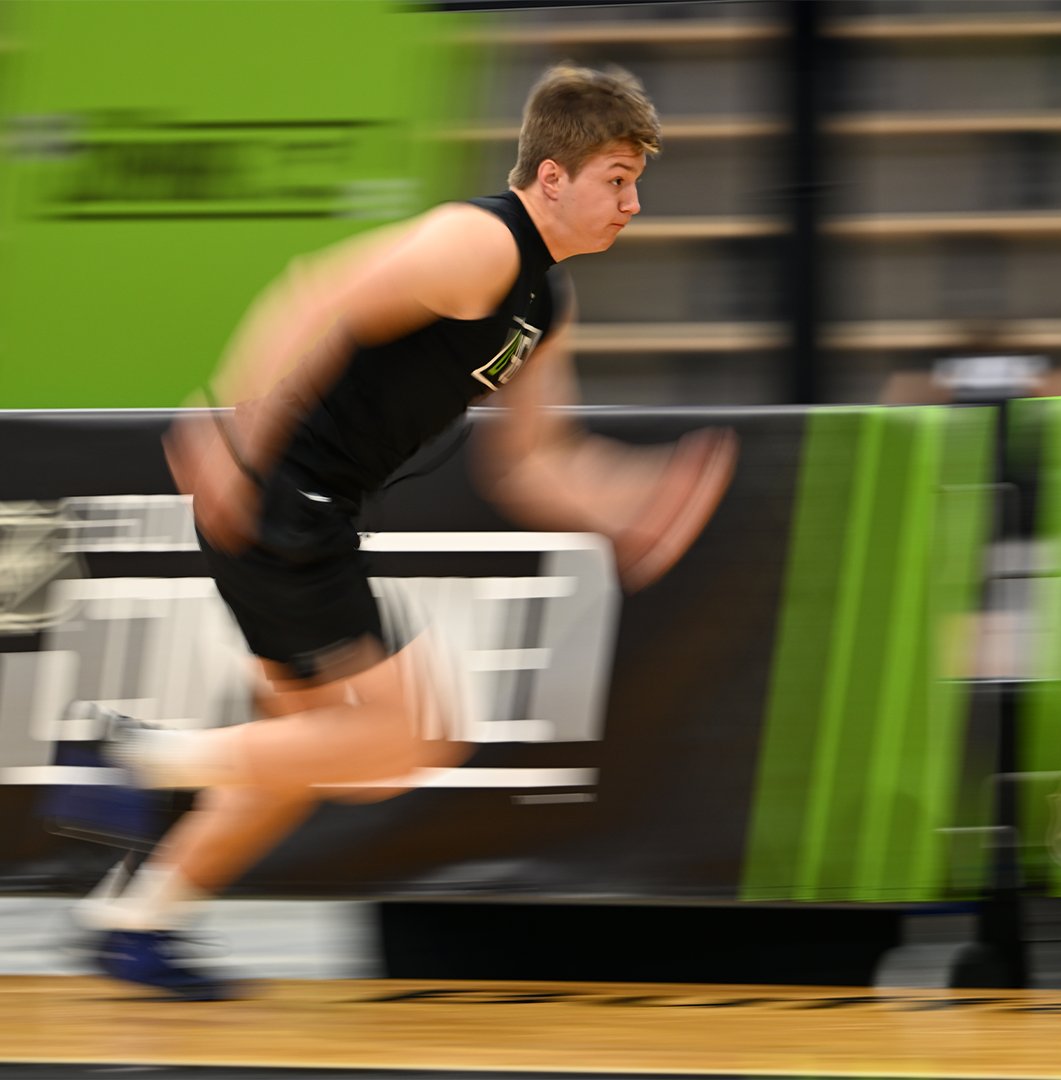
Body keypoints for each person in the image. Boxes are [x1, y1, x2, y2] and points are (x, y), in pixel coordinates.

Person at [70, 62, 739, 999]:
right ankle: (137, 764)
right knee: (409, 742)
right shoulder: (478, 244)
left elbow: (534, 462)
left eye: (636, 182)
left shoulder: (545, 303)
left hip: (309, 510)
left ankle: (137, 919)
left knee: (319, 752)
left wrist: (630, 501)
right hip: (282, 500)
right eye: (618, 179)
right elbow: (317, 295)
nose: (632, 203)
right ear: (553, 176)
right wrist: (235, 437)